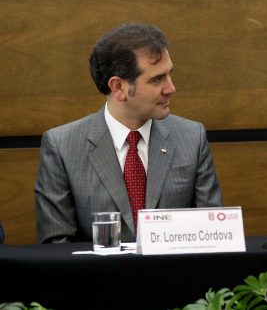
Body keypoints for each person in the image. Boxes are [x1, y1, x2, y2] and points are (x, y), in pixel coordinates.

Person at [35, 22, 222, 243]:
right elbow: (57, 248)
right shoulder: (62, 146)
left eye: (169, 74)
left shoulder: (192, 137)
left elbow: (212, 237)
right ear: (119, 87)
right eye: (156, 79)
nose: (171, 88)